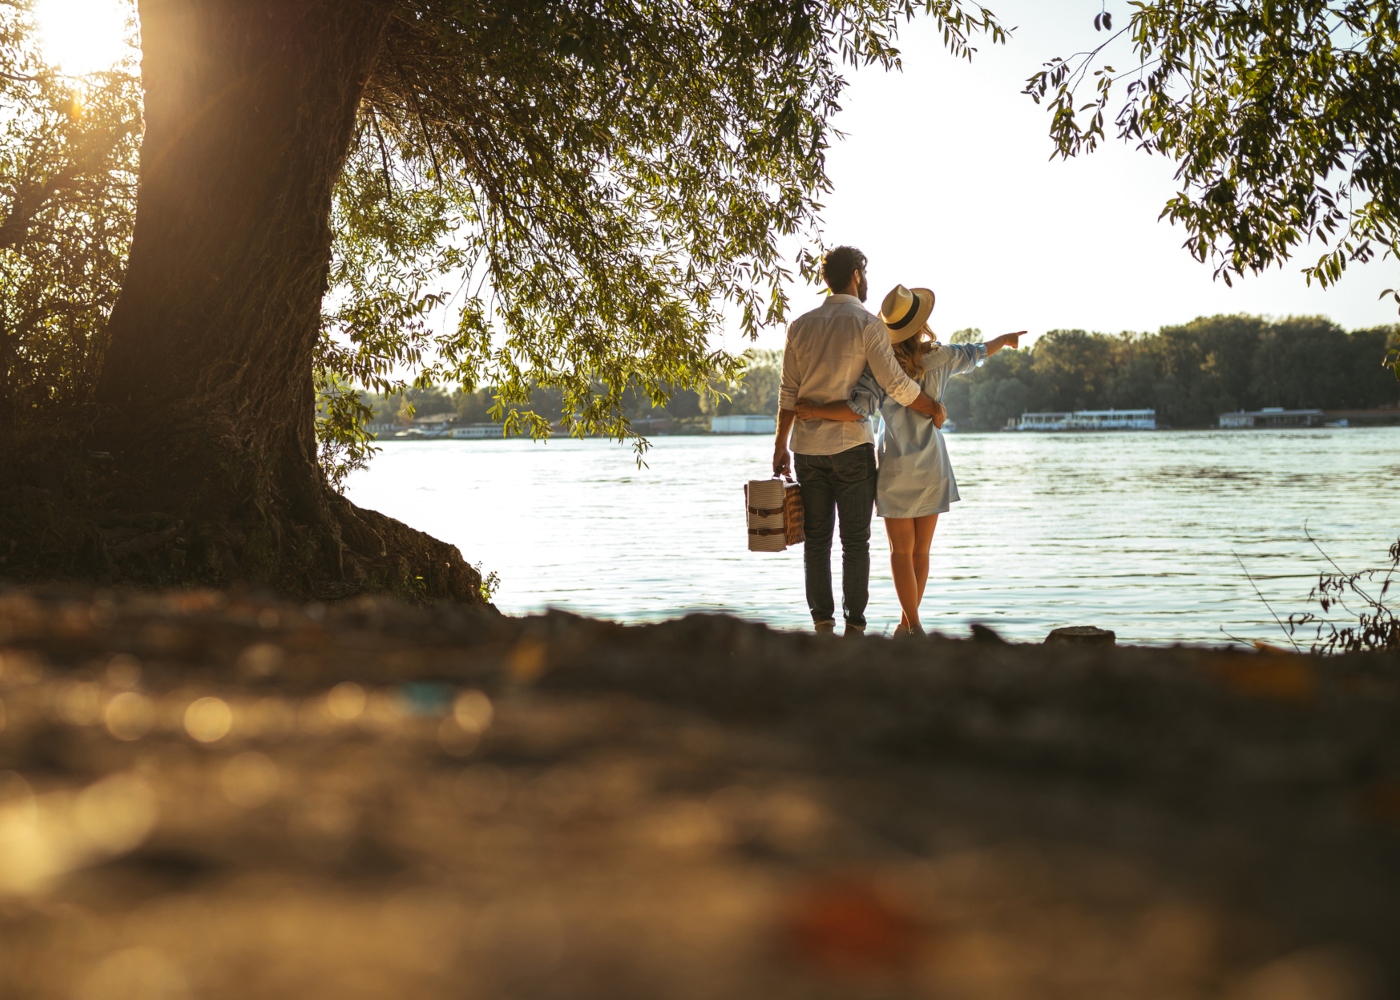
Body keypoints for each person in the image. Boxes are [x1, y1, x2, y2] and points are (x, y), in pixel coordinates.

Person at [795, 284, 1024, 636]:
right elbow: (977, 352)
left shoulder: (878, 369)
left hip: (896, 468)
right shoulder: (942, 357)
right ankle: (909, 623)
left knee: (900, 553)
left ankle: (911, 623)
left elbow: (857, 410)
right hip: (932, 462)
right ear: (922, 324)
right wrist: (1004, 339)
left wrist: (814, 409)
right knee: (922, 552)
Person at [774, 249, 947, 638]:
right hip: (852, 448)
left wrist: (779, 447)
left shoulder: (799, 326)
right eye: (863, 274)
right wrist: (932, 406)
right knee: (856, 541)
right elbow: (897, 385)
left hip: (807, 450)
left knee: (816, 542)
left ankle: (822, 626)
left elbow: (788, 392)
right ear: (855, 275)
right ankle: (854, 629)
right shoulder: (868, 324)